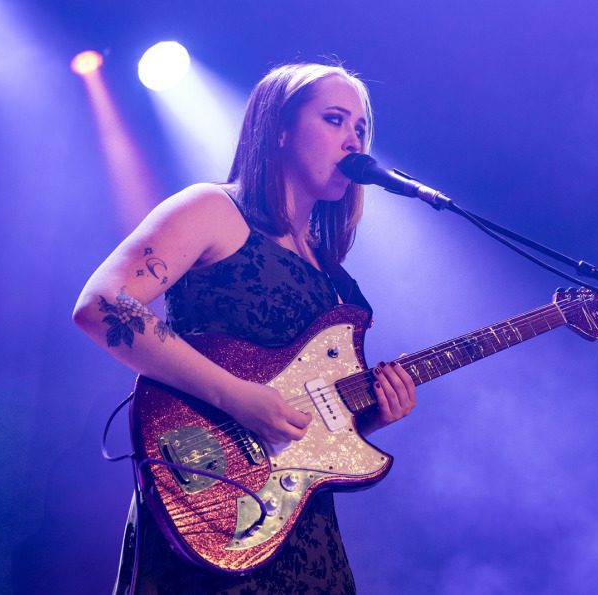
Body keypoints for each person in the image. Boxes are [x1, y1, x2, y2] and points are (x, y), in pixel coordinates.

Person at [72, 62, 417, 594]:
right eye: (334, 119)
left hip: (300, 531)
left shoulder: (335, 280)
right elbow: (102, 304)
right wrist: (238, 398)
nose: (353, 138)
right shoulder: (214, 209)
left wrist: (361, 423)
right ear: (278, 129)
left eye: (361, 127)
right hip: (206, 498)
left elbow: (300, 425)